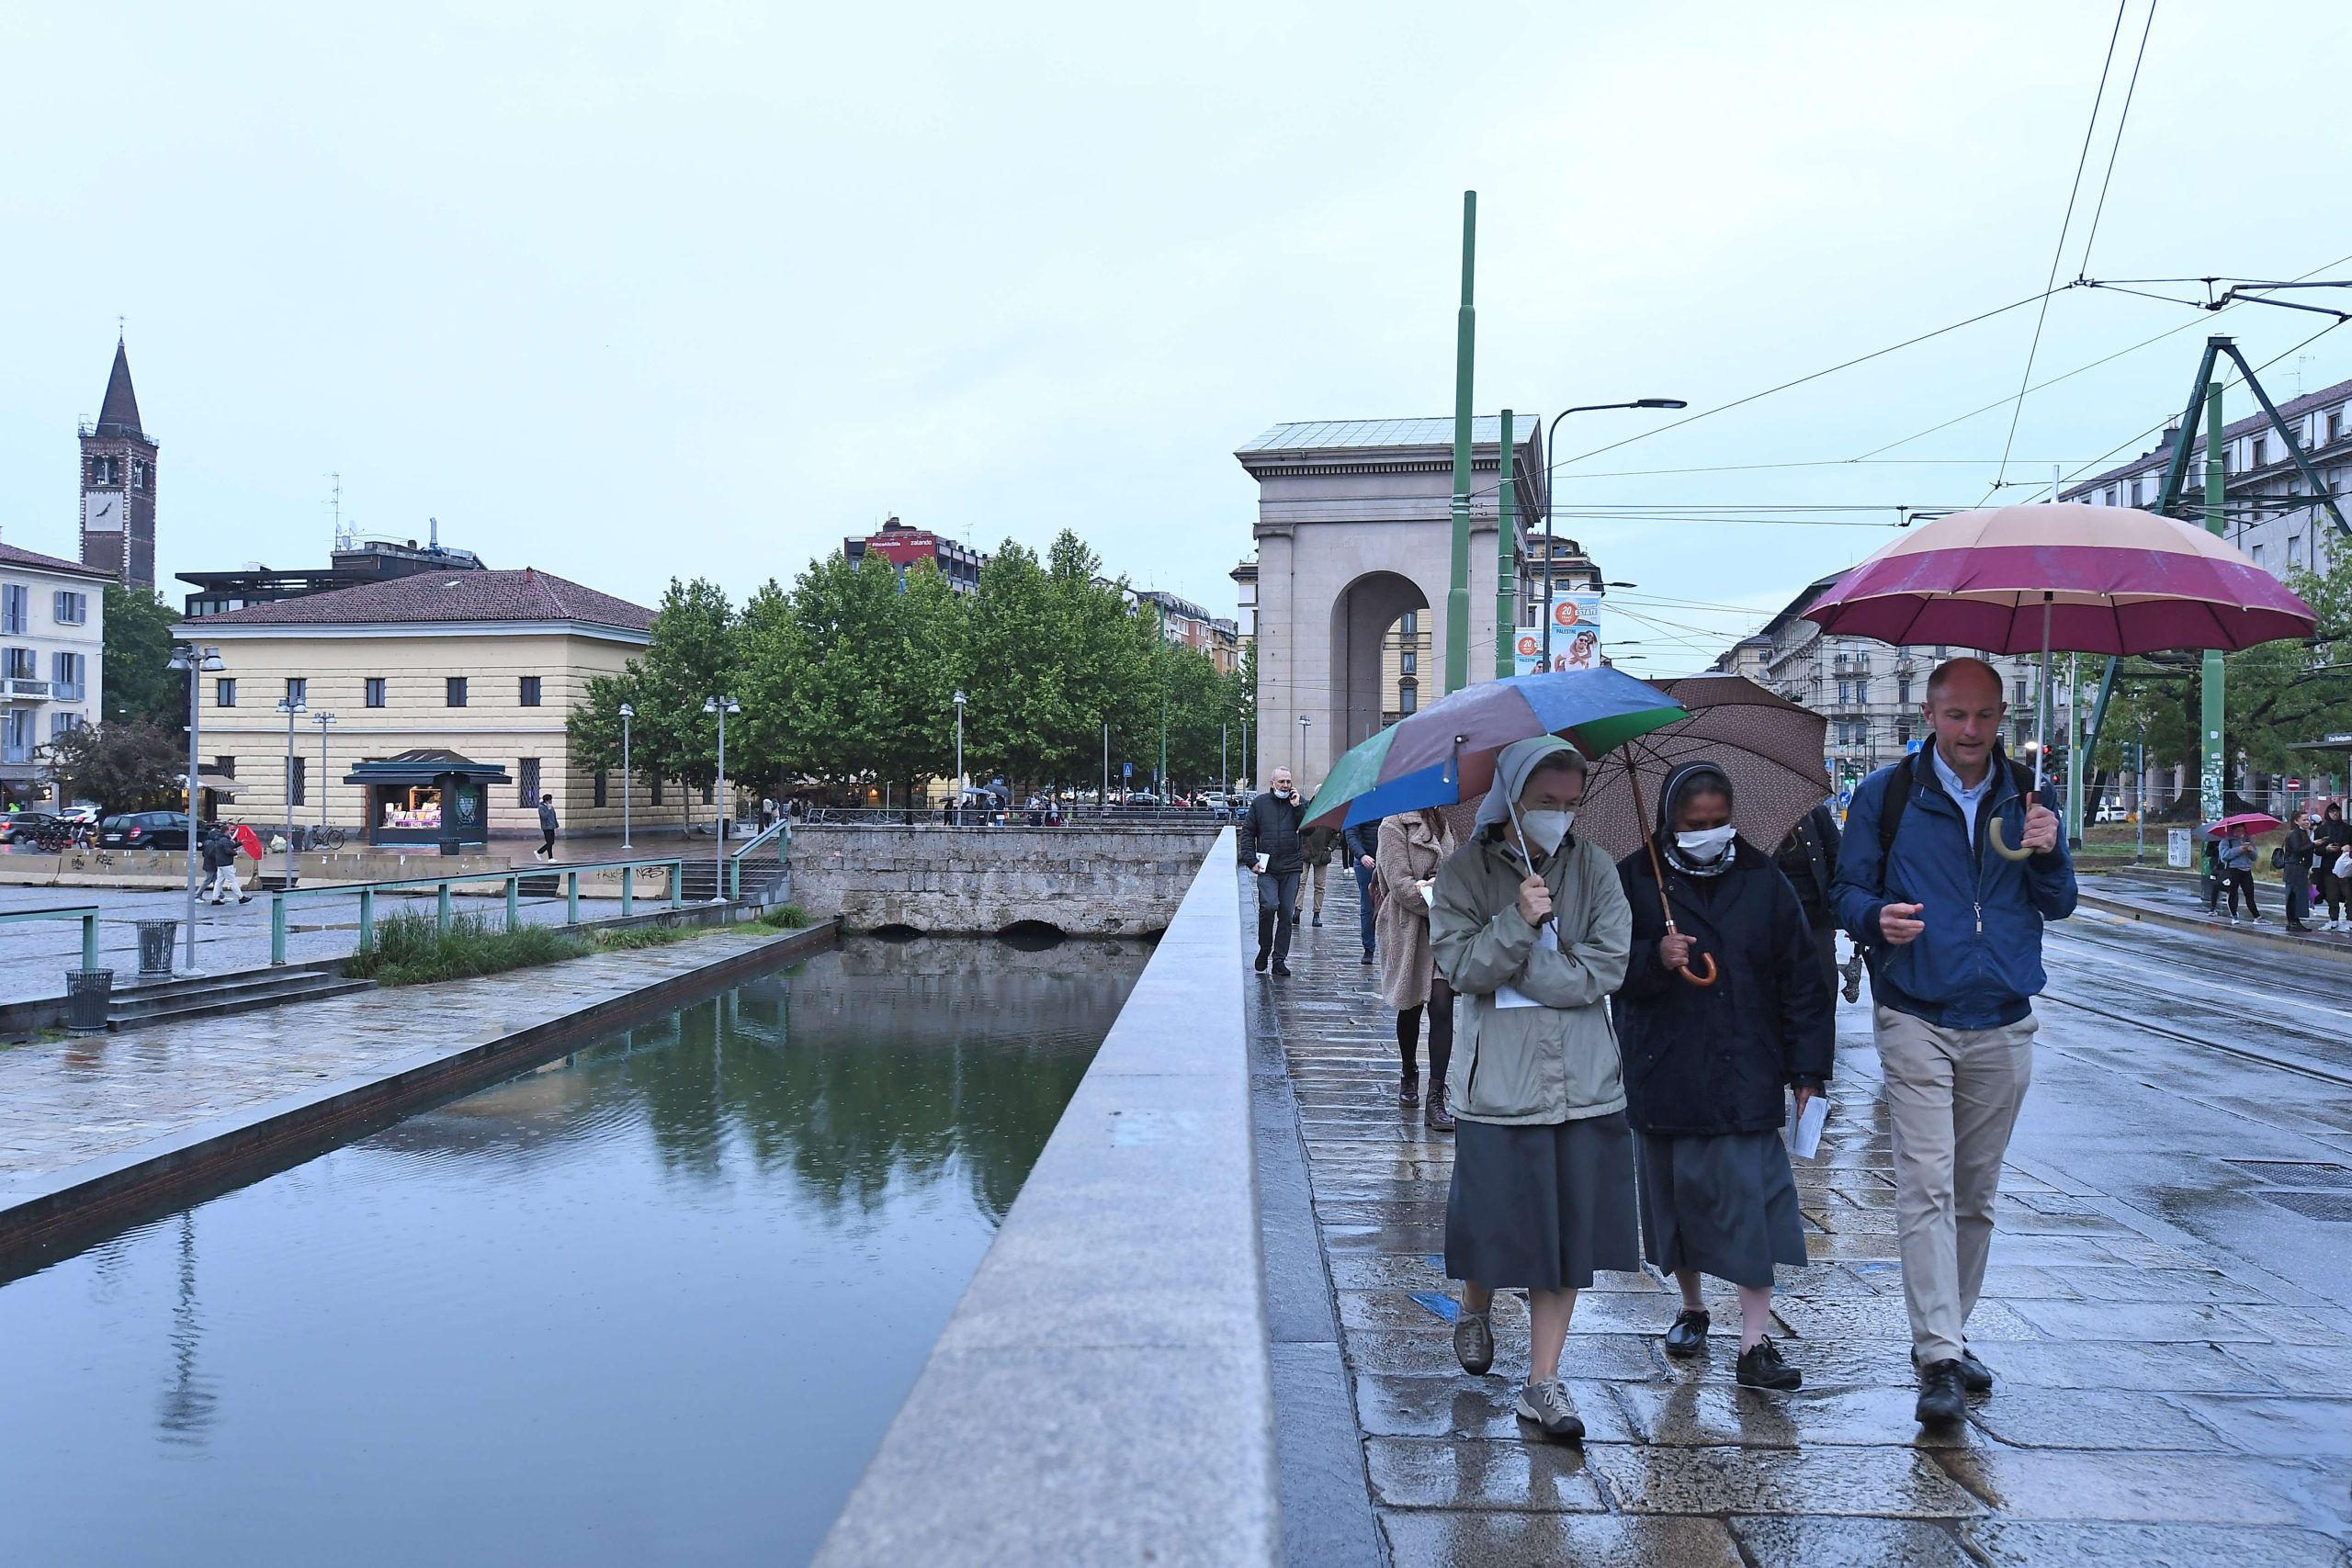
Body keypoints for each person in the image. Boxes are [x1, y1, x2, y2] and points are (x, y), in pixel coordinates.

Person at [1832, 657, 2075, 1428]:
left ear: (2002, 717)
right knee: (1927, 1183)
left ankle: (1950, 1330)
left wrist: (2050, 847)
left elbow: (2059, 902)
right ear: (1929, 716)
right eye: (1957, 714)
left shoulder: (2029, 794)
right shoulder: (1887, 794)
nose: (1971, 730)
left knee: (1975, 1193)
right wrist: (1875, 919)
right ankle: (1937, 1354)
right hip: (1916, 1010)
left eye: (1985, 715)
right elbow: (1846, 890)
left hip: (2002, 1013)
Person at [1430, 736, 1637, 1443]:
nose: (1560, 814)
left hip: (1584, 1081)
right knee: (1494, 1223)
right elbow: (1462, 968)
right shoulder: (1463, 873)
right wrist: (1517, 921)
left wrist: (1526, 969)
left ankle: (1542, 1379)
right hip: (1499, 1083)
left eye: (1571, 803)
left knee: (1566, 1236)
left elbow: (1605, 969)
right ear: (1513, 799)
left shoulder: (1596, 867)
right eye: (1547, 801)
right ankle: (1476, 1300)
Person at [1616, 762, 1832, 1392]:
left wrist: (1807, 1068)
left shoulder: (1762, 877)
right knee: (1677, 1200)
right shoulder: (1636, 877)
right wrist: (1653, 958)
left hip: (1746, 1065)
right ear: (1669, 822)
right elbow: (1604, 964)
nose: (1707, 832)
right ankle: (1692, 1307)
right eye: (1694, 823)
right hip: (1666, 1066)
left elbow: (1801, 976)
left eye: (1718, 821)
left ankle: (1755, 1342)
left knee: (1750, 1206)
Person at [1376, 806, 1459, 1129]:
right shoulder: (1392, 825)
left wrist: (1448, 888)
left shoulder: (1442, 822)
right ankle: (1409, 1071)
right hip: (1408, 927)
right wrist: (1431, 891)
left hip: (1443, 928)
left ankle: (1435, 1098)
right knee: (1409, 1006)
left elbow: (1455, 870)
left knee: (1442, 1005)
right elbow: (1399, 884)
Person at [1773, 799, 1843, 999]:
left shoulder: (1816, 814)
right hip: (1774, 920)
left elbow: (1838, 860)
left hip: (1815, 917)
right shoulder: (1758, 822)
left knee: (1824, 987)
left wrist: (1837, 914)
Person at [1238, 767, 1306, 976]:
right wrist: (1250, 860)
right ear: (1272, 783)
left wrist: (1297, 808)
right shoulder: (1260, 804)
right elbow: (1248, 833)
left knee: (1286, 914)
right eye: (1281, 782)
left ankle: (1279, 960)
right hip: (1267, 868)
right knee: (1269, 906)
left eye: (1288, 782)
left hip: (1291, 867)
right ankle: (1265, 947)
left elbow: (1310, 829)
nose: (1285, 785)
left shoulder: (1299, 803)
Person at [1344, 817, 1381, 964]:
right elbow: (1351, 834)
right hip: (1366, 861)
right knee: (1367, 907)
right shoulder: (1358, 807)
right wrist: (1362, 855)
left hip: (1388, 859)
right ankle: (1369, 948)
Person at [2316, 803, 2351, 930]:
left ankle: (2350, 919)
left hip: (2346, 867)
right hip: (2329, 866)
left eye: (2337, 811)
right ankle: (2333, 919)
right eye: (2332, 812)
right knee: (2332, 895)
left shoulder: (2348, 829)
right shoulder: (2321, 830)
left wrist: (2349, 847)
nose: (2335, 814)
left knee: (2349, 894)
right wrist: (2326, 849)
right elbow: (2316, 849)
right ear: (2328, 813)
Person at [1300, 820, 1341, 928]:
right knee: (1300, 882)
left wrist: (1330, 848)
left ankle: (1316, 913)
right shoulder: (1306, 812)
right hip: (1305, 851)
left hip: (1322, 853)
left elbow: (1338, 833)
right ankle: (1297, 909)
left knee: (1319, 885)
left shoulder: (1330, 815)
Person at [2285, 808, 2316, 933]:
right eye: (2304, 820)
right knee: (2295, 896)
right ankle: (2294, 922)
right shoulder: (2295, 834)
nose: (2307, 822)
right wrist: (2314, 844)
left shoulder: (2302, 833)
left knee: (2294, 895)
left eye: (2308, 819)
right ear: (2296, 821)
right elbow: (2297, 849)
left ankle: (2293, 922)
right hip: (2295, 868)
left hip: (2298, 867)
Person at [2219, 827, 2259, 922]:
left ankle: (2257, 917)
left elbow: (2255, 857)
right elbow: (2224, 856)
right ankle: (2234, 915)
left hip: (2246, 869)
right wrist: (2239, 850)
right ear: (2233, 831)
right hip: (2233, 869)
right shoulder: (2226, 840)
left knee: (2249, 894)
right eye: (2238, 831)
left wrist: (2251, 850)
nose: (2240, 833)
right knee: (2233, 893)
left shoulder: (2248, 840)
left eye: (2242, 830)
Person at [536, 793, 560, 862]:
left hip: (552, 826)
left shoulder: (551, 807)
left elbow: (554, 816)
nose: (551, 801)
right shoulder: (541, 807)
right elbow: (544, 817)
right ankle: (550, 858)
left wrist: (556, 825)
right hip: (546, 827)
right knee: (549, 842)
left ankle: (539, 852)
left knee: (552, 842)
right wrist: (548, 810)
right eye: (549, 800)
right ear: (546, 801)